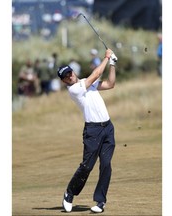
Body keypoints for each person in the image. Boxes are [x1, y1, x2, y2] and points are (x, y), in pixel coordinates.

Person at [57, 48, 118, 213]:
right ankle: (69, 193)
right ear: (64, 81)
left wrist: (112, 64)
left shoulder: (86, 82)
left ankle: (100, 202)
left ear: (73, 72)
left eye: (70, 73)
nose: (70, 76)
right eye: (66, 76)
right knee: (87, 166)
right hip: (93, 131)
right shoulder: (75, 90)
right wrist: (106, 57)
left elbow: (110, 84)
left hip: (107, 128)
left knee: (106, 165)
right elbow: (97, 74)